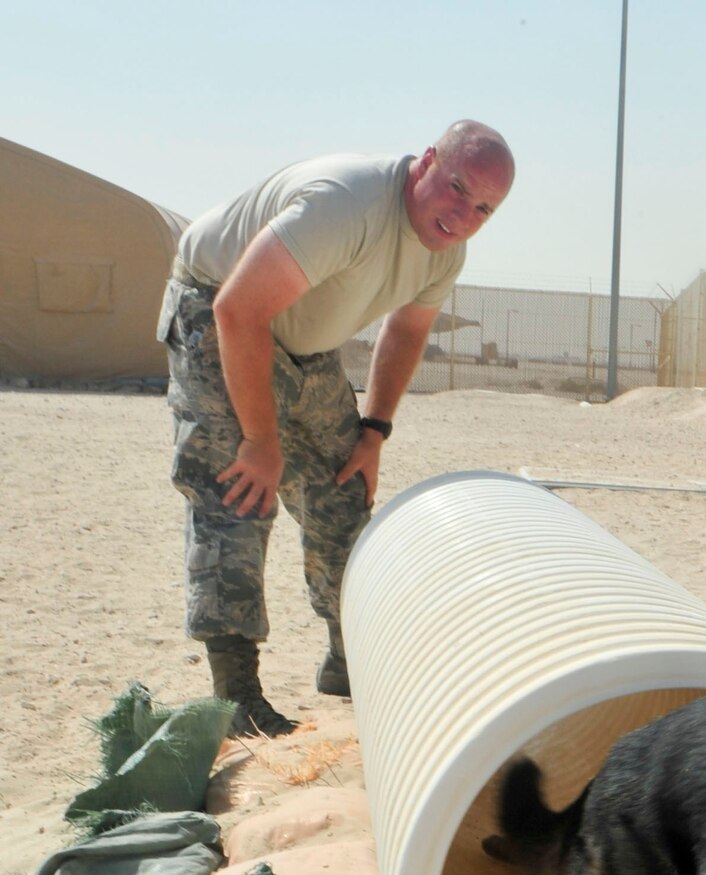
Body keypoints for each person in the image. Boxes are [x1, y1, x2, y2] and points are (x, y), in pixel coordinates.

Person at [158, 122, 515, 735]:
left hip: (306, 343)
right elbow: (237, 310)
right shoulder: (345, 205)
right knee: (238, 492)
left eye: (484, 207)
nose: (464, 214)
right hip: (219, 312)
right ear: (426, 161)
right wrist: (262, 442)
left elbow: (405, 331)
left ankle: (350, 658)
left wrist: (374, 431)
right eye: (457, 188)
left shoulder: (445, 249)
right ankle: (236, 697)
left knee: (343, 483)